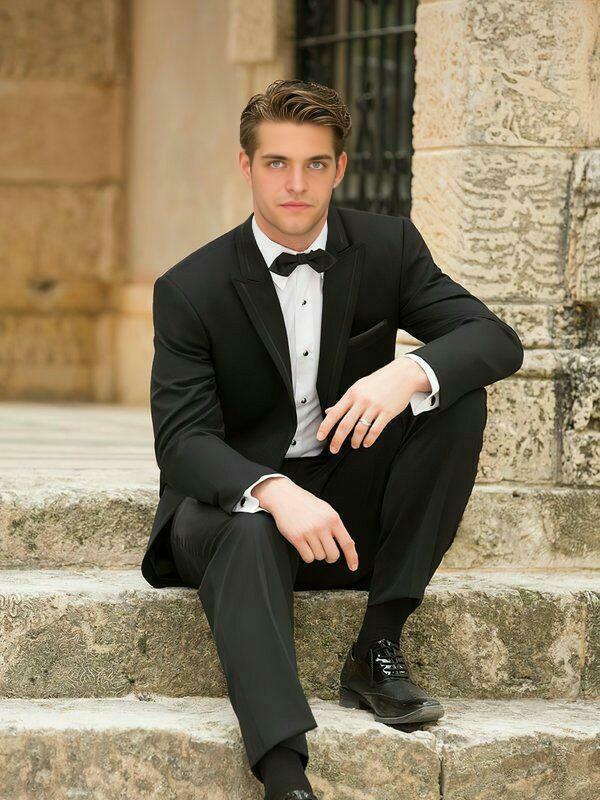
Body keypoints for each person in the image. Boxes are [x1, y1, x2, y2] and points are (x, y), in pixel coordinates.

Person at [140, 79, 524, 800]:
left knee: (456, 399)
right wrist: (272, 490)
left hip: (346, 503)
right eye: (277, 163)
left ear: (340, 168)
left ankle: (377, 645)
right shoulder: (191, 287)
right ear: (246, 166)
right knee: (251, 531)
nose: (296, 183)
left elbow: (495, 339)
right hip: (230, 510)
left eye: (315, 163)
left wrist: (407, 372)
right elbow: (183, 441)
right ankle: (285, 774)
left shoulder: (386, 246)